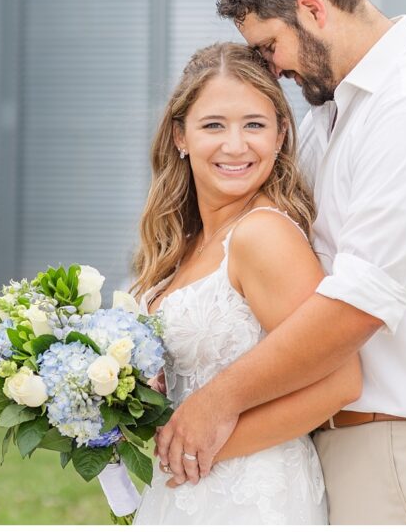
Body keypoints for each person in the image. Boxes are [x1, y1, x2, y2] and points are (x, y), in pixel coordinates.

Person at [154, 0, 406, 525]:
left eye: (268, 46)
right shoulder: (333, 115)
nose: (273, 69)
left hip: (404, 444)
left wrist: (215, 404)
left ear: (313, 10)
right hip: (336, 445)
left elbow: (359, 301)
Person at [129, 42, 362, 524]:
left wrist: (200, 443)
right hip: (185, 489)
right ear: (181, 136)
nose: (236, 145)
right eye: (214, 125)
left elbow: (341, 381)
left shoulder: (263, 235)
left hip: (254, 496)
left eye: (254, 125)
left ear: (280, 136)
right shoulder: (180, 245)